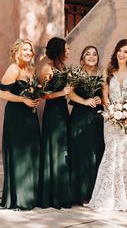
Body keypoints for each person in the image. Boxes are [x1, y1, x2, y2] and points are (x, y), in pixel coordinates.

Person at [87, 39, 127, 212]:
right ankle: (110, 197)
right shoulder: (108, 70)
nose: (122, 54)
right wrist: (112, 112)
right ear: (116, 51)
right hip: (111, 118)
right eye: (120, 50)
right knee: (113, 153)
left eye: (126, 51)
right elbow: (104, 96)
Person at [0, 39, 40, 210]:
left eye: (30, 50)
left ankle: (30, 196)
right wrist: (23, 99)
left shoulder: (31, 70)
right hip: (16, 116)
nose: (28, 52)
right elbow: (2, 93)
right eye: (25, 49)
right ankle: (18, 198)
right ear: (17, 51)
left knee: (31, 154)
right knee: (19, 155)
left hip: (30, 116)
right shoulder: (13, 69)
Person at [38, 37, 72, 208]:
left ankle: (62, 193)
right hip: (52, 111)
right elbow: (42, 93)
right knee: (55, 148)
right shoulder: (47, 67)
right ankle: (51, 196)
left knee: (63, 148)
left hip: (62, 109)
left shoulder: (62, 66)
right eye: (66, 48)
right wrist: (61, 93)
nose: (69, 51)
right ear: (59, 49)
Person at [68, 46, 104, 205]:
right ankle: (78, 193)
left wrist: (100, 100)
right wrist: (84, 101)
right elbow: (69, 93)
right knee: (80, 153)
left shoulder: (102, 73)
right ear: (82, 58)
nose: (91, 56)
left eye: (94, 54)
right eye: (87, 54)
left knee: (95, 153)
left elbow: (105, 95)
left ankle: (91, 193)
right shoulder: (77, 73)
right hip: (79, 117)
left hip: (97, 118)